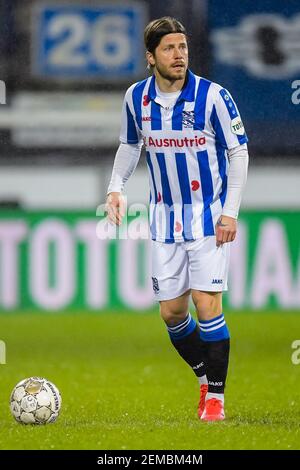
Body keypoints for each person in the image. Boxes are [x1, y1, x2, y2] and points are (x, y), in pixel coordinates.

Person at [106, 17, 249, 421]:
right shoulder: (136, 98)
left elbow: (238, 152)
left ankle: (216, 403)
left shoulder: (214, 96)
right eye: (169, 49)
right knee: (171, 312)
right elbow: (130, 145)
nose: (179, 55)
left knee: (207, 302)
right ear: (151, 57)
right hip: (164, 218)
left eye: (183, 47)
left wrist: (229, 211)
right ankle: (205, 378)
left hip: (207, 218)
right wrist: (116, 186)